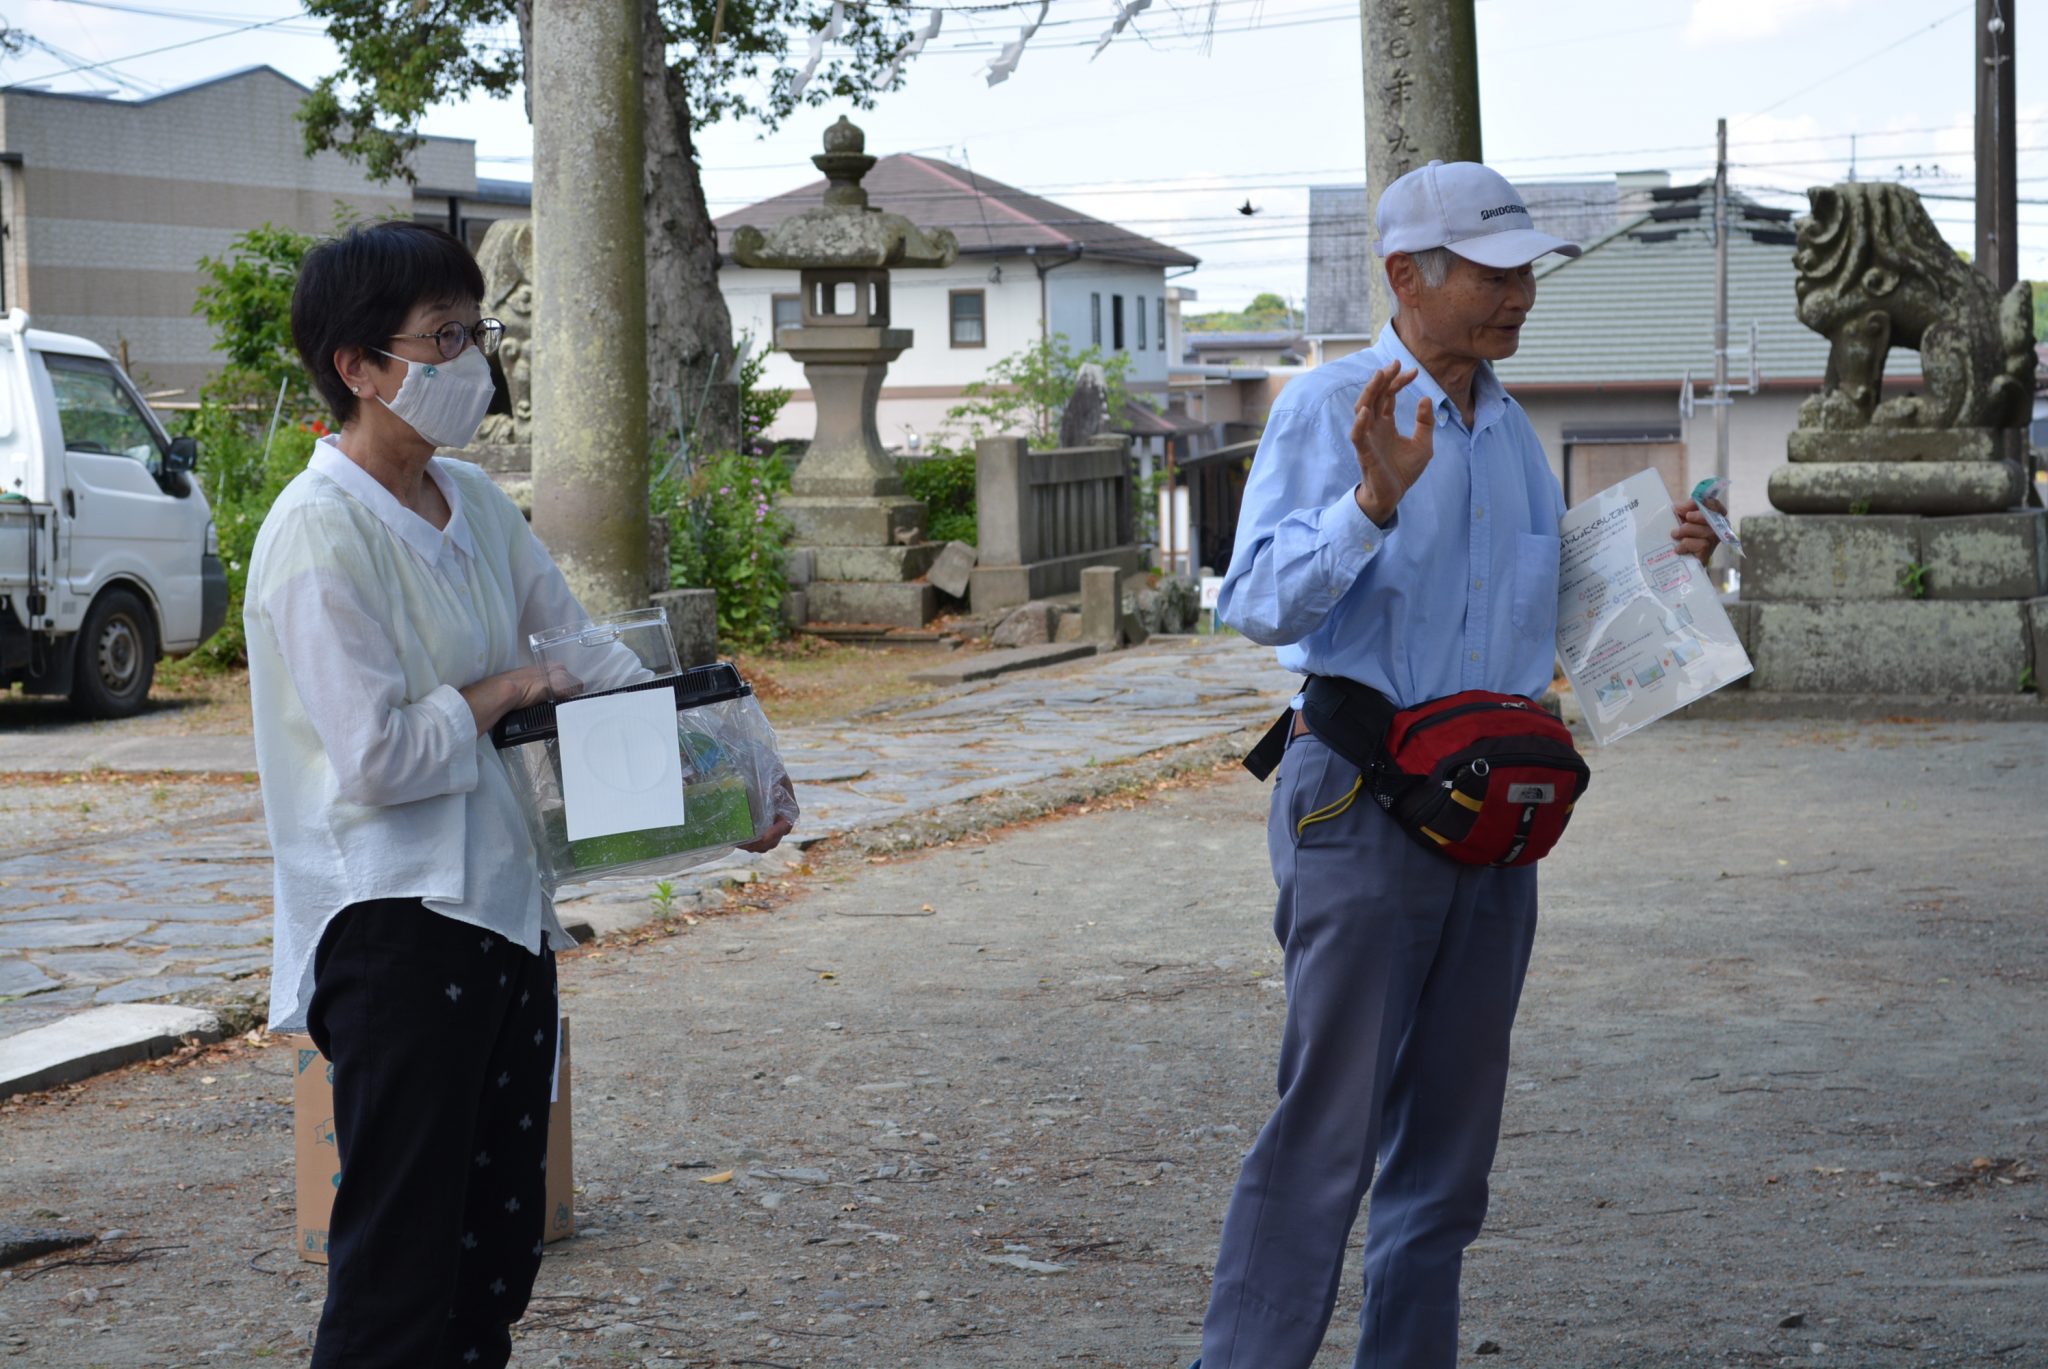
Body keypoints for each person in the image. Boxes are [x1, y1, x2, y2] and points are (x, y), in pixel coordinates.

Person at [1190, 161, 1718, 1369]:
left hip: (1493, 818)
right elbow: (1257, 602)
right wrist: (1370, 502)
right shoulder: (1329, 408)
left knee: (1446, 1157)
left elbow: (1569, 626)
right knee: (1324, 1136)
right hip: (1357, 802)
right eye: (1492, 272)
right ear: (1403, 277)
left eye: (1525, 269)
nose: (1518, 295)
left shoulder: (1510, 435)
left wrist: (1670, 566)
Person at [248, 220, 794, 1367]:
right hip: (393, 924)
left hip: (500, 909)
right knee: (398, 1265)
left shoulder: (473, 503)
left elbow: (580, 648)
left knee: (491, 1255)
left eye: (475, 330)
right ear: (357, 367)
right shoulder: (317, 534)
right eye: (442, 338)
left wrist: (720, 761)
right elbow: (379, 760)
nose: (471, 363)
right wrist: (501, 689)